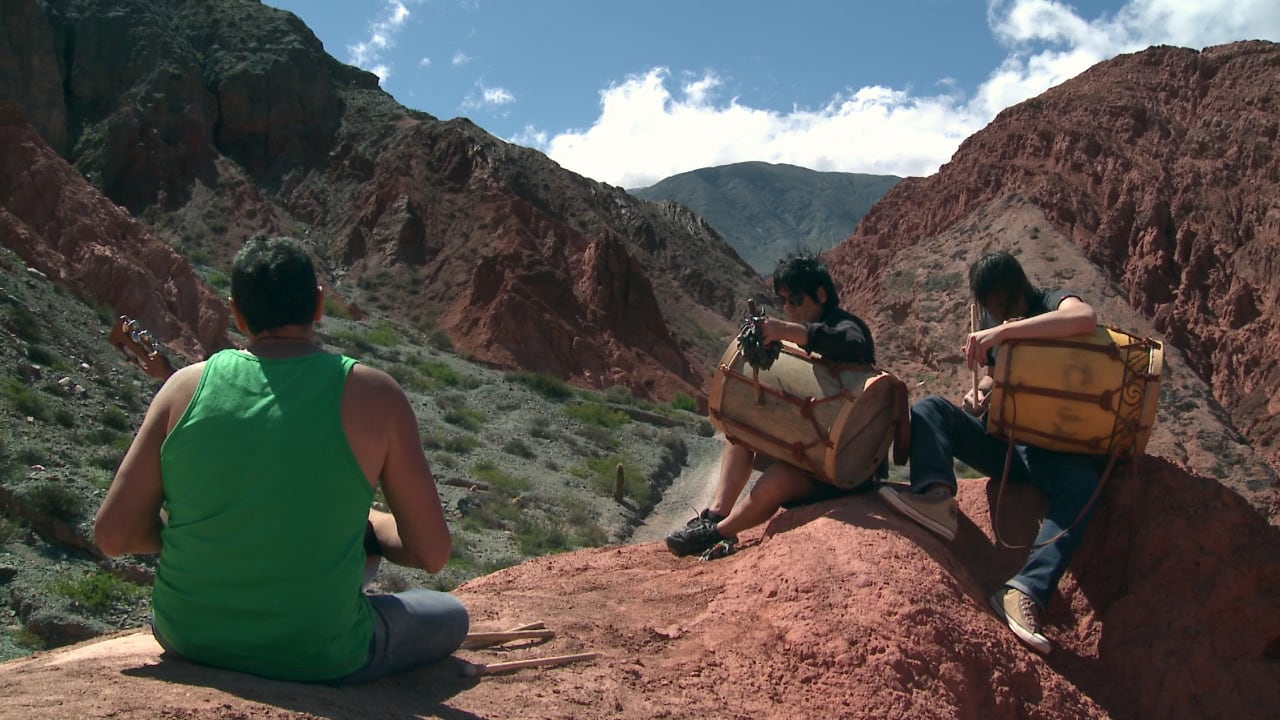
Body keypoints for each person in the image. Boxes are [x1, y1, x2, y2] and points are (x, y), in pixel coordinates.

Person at [94, 236, 468, 683]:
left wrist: (217, 530)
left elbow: (114, 535)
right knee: (450, 614)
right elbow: (431, 552)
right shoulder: (376, 394)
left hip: (186, 634)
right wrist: (369, 523)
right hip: (321, 653)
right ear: (318, 305)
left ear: (235, 312)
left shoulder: (182, 387)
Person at [878, 249, 1100, 655]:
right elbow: (1000, 380)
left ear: (1015, 288)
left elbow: (1084, 318)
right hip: (1006, 442)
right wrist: (979, 393)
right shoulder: (994, 321)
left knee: (1083, 482)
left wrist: (1004, 333)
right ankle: (935, 497)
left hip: (1049, 447)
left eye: (999, 300)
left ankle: (1025, 592)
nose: (995, 311)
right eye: (990, 306)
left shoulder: (1049, 301)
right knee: (931, 409)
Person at [665, 252, 876, 559]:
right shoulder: (802, 333)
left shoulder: (846, 325)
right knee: (740, 433)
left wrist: (786, 331)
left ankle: (716, 534)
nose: (788, 308)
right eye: (784, 301)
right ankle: (715, 514)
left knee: (776, 482)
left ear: (820, 294)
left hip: (842, 468)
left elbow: (852, 346)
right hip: (807, 451)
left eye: (795, 299)